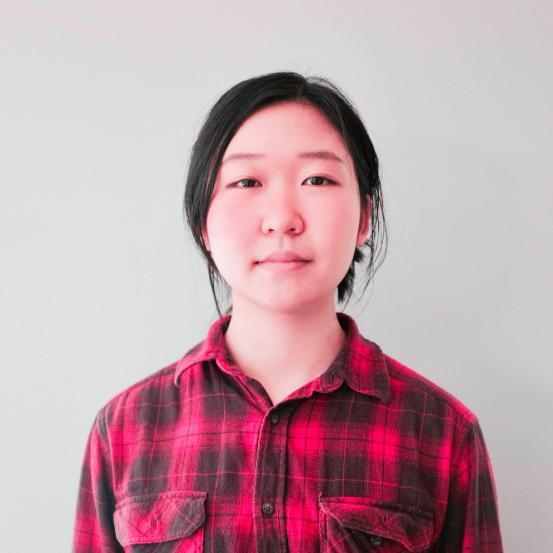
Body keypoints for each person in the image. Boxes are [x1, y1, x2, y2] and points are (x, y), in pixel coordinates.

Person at [72, 71, 504, 552]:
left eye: (317, 179)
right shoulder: (125, 429)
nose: (282, 219)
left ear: (364, 217)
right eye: (246, 181)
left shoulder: (442, 431)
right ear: (203, 225)